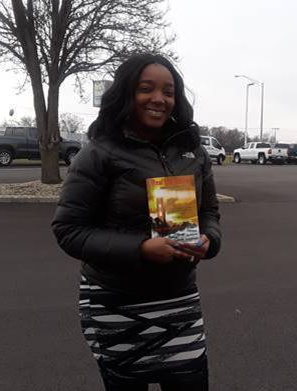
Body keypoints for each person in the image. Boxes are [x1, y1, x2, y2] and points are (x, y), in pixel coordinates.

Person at [52, 53, 222, 391]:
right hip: (117, 301)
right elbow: (69, 230)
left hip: (178, 297)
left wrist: (209, 239)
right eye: (147, 89)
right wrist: (141, 249)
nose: (159, 99)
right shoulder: (99, 152)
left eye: (168, 92)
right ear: (127, 93)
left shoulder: (193, 152)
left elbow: (210, 212)